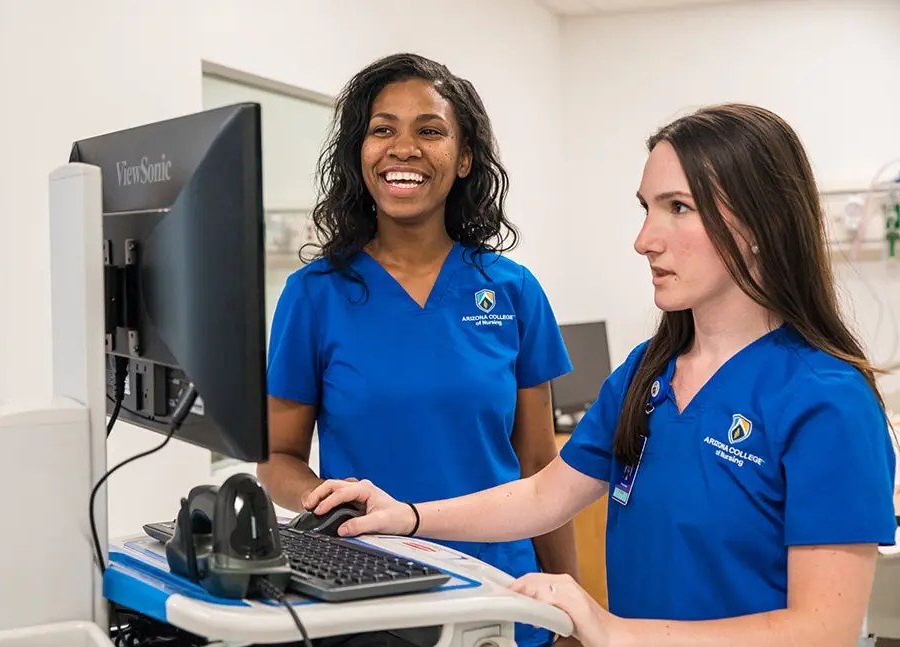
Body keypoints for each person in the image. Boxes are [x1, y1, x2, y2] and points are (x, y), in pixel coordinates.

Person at [301, 103, 898, 647]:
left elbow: (823, 630)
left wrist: (613, 631)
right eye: (646, 209)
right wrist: (406, 515)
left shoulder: (827, 402)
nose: (644, 240)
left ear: (762, 225)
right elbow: (543, 495)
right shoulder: (648, 372)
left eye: (678, 208)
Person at [258, 53, 577, 647]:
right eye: (383, 130)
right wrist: (326, 502)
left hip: (500, 591)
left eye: (429, 131)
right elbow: (277, 456)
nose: (403, 147)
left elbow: (539, 467)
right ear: (361, 154)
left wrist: (568, 611)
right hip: (367, 589)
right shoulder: (314, 296)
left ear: (463, 160)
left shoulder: (513, 291)